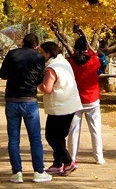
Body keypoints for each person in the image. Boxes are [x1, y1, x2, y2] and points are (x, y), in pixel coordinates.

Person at [0, 34, 50, 183]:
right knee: (35, 138)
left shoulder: (12, 54)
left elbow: (3, 74)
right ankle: (39, 171)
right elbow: (40, 78)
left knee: (13, 139)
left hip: (12, 99)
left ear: (22, 42)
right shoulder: (39, 57)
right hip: (29, 99)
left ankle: (17, 172)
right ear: (37, 45)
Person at [39, 41, 82, 176]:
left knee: (51, 137)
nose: (41, 55)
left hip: (59, 107)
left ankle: (69, 162)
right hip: (71, 104)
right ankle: (58, 164)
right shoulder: (63, 62)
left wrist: (37, 83)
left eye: (42, 52)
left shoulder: (51, 68)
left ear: (48, 53)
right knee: (60, 136)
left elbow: (47, 88)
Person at [66, 36, 105, 165]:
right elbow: (99, 58)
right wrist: (91, 50)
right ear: (87, 48)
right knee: (95, 130)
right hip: (92, 99)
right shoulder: (94, 60)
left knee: (73, 131)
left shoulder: (70, 62)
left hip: (75, 99)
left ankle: (71, 157)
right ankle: (99, 157)